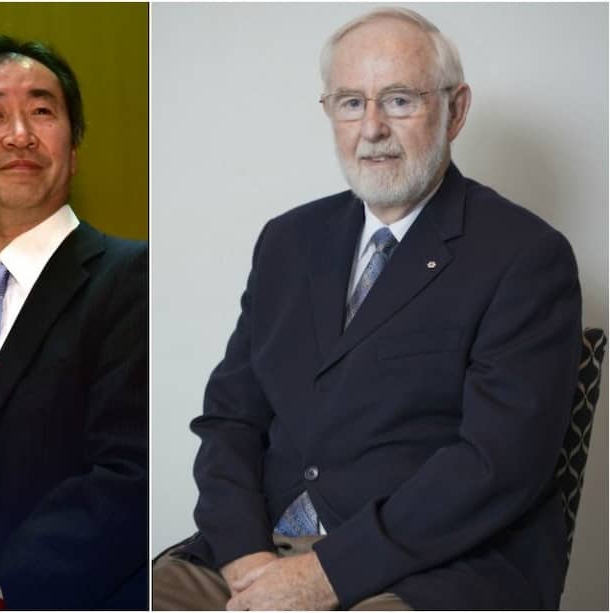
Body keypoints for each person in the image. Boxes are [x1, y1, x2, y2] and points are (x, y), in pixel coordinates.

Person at [152, 7, 581, 611]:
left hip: (427, 569)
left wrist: (320, 577)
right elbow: (230, 422)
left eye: (399, 101)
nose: (372, 127)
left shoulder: (526, 255)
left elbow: (495, 466)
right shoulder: (288, 241)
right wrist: (246, 561)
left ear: (455, 111)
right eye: (351, 102)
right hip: (259, 554)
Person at [0, 36, 148, 609]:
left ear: (73, 150)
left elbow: (131, 480)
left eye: (43, 110)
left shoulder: (135, 278)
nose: (20, 134)